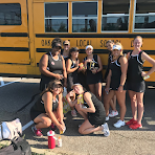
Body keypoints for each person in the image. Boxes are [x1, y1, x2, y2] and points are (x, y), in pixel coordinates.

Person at [126, 36, 155, 129]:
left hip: (139, 82)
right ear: (132, 43)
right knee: (132, 100)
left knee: (139, 102)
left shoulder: (142, 54)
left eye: (139, 42)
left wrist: (147, 75)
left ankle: (139, 122)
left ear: (142, 43)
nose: (137, 44)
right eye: (135, 42)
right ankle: (133, 119)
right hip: (130, 81)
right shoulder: (129, 54)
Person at [105, 44, 128, 128]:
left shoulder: (122, 59)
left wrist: (121, 85)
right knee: (106, 100)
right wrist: (107, 85)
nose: (115, 52)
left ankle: (122, 120)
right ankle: (106, 115)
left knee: (121, 104)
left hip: (120, 85)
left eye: (117, 50)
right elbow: (110, 75)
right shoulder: (113, 59)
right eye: (114, 50)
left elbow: (124, 73)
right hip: (113, 85)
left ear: (120, 50)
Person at [104, 40, 118, 121]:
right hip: (110, 75)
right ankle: (113, 109)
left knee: (109, 93)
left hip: (113, 76)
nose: (109, 47)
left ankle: (113, 110)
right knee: (112, 93)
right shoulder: (110, 54)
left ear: (113, 44)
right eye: (107, 46)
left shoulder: (115, 54)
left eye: (110, 45)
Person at [66, 47, 80, 117]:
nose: (76, 53)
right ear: (71, 53)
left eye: (77, 52)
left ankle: (78, 107)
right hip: (70, 78)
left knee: (79, 94)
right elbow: (68, 70)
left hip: (76, 78)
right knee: (72, 95)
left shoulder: (77, 60)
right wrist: (76, 67)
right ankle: (72, 109)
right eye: (74, 52)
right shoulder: (69, 60)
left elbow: (78, 70)